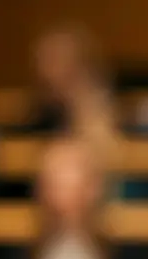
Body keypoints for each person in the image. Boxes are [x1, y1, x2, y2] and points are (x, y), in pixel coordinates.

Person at [26, 24, 121, 162]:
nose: (44, 71)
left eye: (53, 59)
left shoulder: (99, 110)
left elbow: (106, 152)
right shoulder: (43, 114)